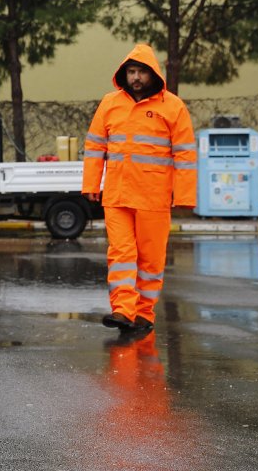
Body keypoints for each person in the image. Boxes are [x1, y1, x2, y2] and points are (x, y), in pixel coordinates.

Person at [81, 43, 196, 334]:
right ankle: (122, 310)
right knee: (120, 253)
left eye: (141, 72)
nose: (135, 77)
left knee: (150, 258)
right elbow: (95, 146)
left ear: (152, 73)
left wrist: (184, 195)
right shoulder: (110, 103)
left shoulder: (172, 106)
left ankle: (144, 313)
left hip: (153, 196)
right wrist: (91, 185)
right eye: (131, 71)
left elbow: (185, 153)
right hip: (117, 194)